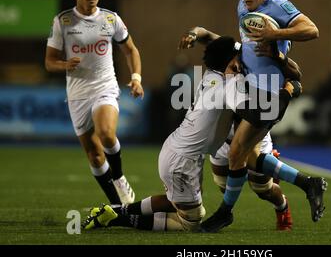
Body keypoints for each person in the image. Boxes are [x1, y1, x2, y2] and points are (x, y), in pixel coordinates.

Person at [83, 35, 302, 232]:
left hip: (179, 151)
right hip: (182, 161)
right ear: (231, 61)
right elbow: (257, 114)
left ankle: (117, 210)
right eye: (238, 57)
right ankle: (115, 218)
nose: (242, 61)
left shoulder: (210, 75)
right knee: (192, 221)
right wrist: (287, 92)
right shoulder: (231, 85)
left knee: (175, 201)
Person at [180, 21, 326, 233]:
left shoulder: (275, 64)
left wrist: (282, 69)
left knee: (263, 189)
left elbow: (295, 78)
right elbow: (206, 34)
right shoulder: (242, 50)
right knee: (223, 183)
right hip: (226, 128)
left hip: (252, 121)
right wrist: (192, 33)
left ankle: (282, 205)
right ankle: (271, 168)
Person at [45, 0, 143, 205]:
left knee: (106, 133)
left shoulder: (110, 19)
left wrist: (136, 78)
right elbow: (49, 62)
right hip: (78, 94)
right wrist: (64, 65)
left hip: (105, 87)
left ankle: (118, 176)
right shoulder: (63, 21)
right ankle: (118, 206)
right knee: (94, 154)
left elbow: (131, 50)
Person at [210, 129, 293, 231]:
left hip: (255, 135)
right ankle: (265, 165)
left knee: (264, 191)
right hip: (224, 137)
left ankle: (282, 208)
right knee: (225, 186)